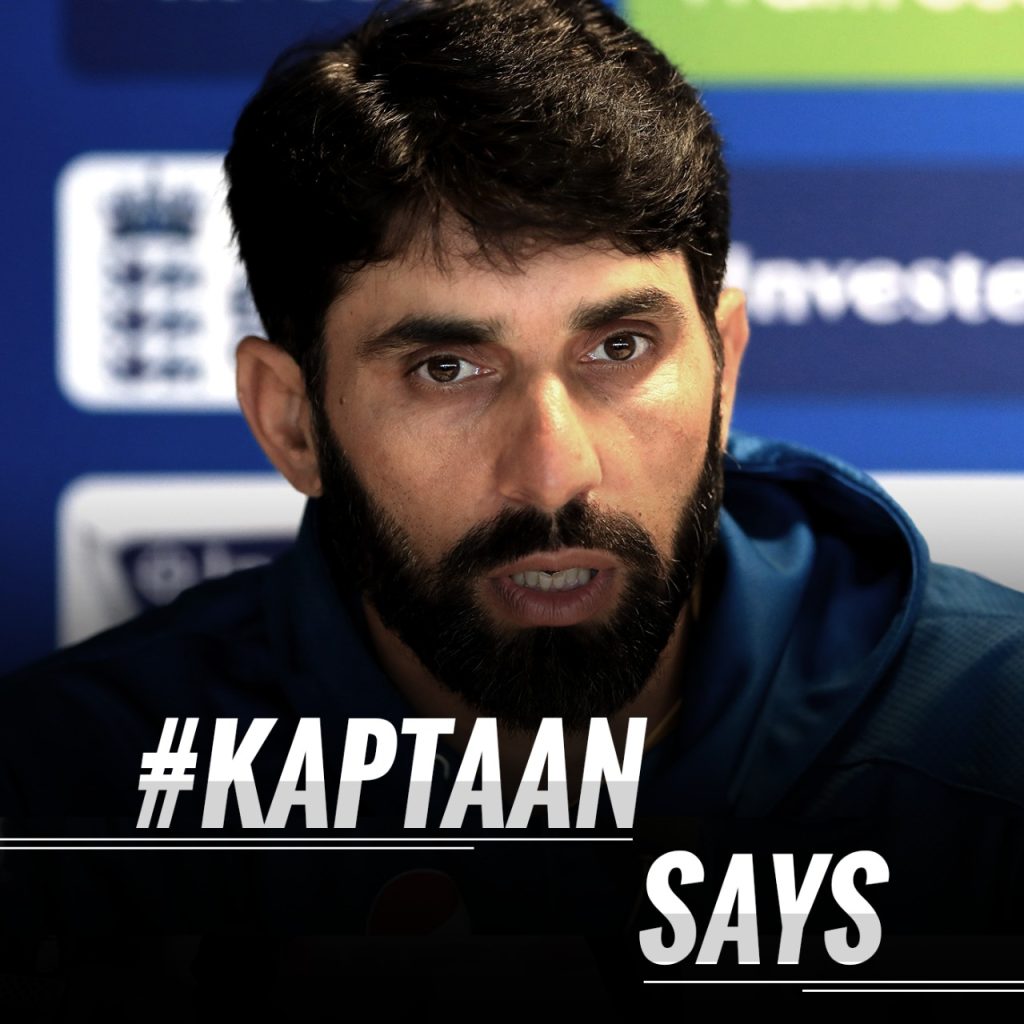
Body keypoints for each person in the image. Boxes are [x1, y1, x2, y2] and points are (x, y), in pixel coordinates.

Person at [2, 0, 1023, 1002]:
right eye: (446, 368)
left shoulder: (993, 732)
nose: (551, 474)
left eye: (619, 348)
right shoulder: (60, 795)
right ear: (291, 422)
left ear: (723, 370)